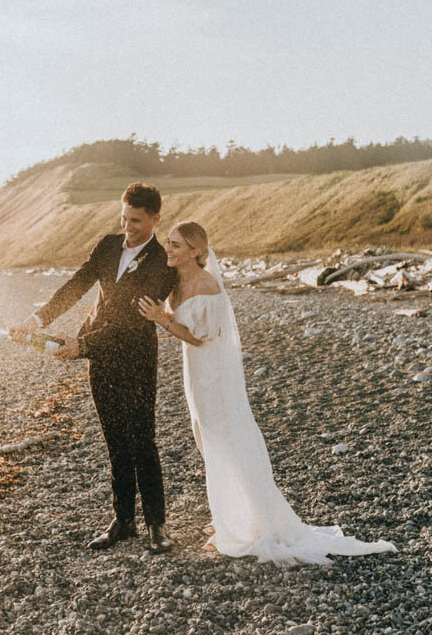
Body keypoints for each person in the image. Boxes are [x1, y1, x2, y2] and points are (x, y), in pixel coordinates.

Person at [138, 222, 397, 565]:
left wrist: (162, 319)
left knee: (224, 438)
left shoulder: (207, 284)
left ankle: (242, 522)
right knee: (205, 436)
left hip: (212, 374)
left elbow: (202, 337)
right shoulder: (177, 280)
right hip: (195, 372)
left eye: (175, 245)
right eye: (168, 243)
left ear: (196, 252)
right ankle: (229, 515)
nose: (168, 249)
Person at [11, 182, 176, 554]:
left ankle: (157, 525)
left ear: (155, 219)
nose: (127, 226)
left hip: (135, 357)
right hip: (99, 357)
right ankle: (123, 520)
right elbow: (76, 285)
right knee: (114, 439)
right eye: (123, 217)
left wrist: (81, 345)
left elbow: (134, 321)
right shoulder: (106, 244)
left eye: (135, 220)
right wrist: (36, 321)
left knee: (142, 441)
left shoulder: (162, 263)